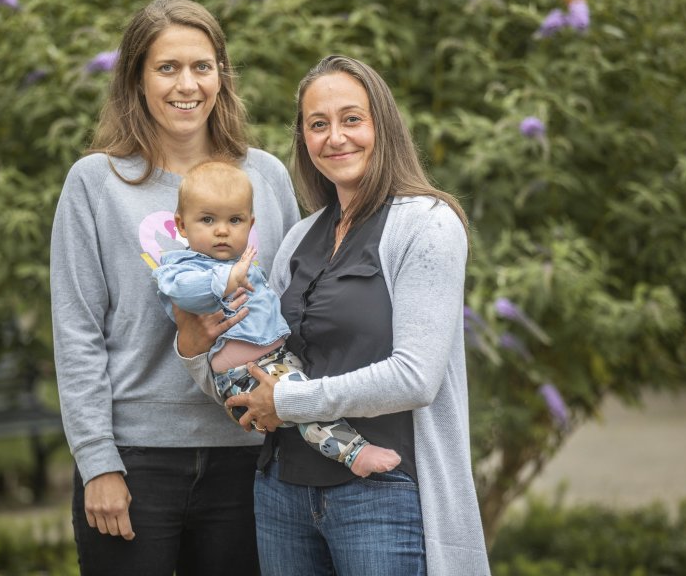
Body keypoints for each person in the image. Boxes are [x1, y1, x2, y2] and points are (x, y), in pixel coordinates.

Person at [199, 55, 491, 575]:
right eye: (318, 124)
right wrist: (191, 345)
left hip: (381, 496)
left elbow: (415, 378)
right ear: (304, 140)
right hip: (281, 492)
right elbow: (254, 356)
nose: (335, 137)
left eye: (351, 119)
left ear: (382, 125)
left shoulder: (427, 224)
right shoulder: (298, 238)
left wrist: (286, 400)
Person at [49, 0, 300, 576]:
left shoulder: (265, 175)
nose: (186, 84)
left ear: (221, 76)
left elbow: (291, 305)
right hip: (136, 461)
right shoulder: (96, 182)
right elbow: (77, 331)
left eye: (201, 66)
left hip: (252, 454)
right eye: (167, 68)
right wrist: (97, 462)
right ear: (136, 80)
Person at [152, 160, 402, 477]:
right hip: (243, 373)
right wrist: (227, 280)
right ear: (182, 226)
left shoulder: (242, 263)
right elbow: (185, 294)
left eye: (235, 220)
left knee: (305, 399)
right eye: (207, 220)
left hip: (273, 359)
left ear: (250, 225)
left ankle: (344, 446)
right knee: (302, 402)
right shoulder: (182, 266)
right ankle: (354, 454)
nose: (222, 230)